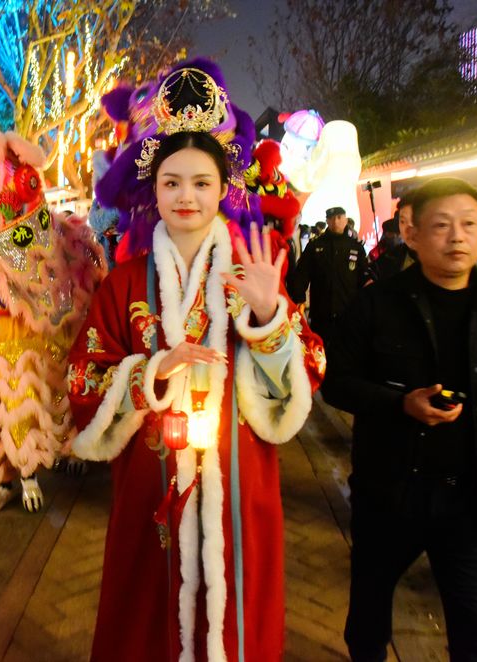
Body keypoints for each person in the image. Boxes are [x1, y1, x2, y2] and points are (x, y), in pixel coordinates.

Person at [67, 126, 321, 660]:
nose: (187, 196)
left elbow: (308, 370)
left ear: (222, 188)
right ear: (153, 190)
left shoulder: (249, 278)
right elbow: (84, 380)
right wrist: (155, 370)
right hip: (147, 481)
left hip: (237, 479)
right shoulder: (124, 285)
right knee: (144, 611)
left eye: (202, 183)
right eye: (172, 182)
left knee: (234, 609)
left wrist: (270, 318)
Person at [322, 177, 477, 662]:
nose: (458, 237)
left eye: (469, 225)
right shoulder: (377, 304)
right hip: (391, 492)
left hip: (471, 498)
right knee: (369, 615)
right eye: (442, 225)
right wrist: (400, 404)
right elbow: (336, 382)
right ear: (412, 232)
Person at [290, 206, 367, 337]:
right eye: (331, 218)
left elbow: (363, 280)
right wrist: (298, 299)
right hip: (321, 313)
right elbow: (301, 274)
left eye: (339, 217)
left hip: (348, 313)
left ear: (345, 220)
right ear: (327, 221)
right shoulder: (315, 246)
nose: (335, 222)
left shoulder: (355, 247)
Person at [364, 195, 417, 284]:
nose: (408, 228)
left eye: (414, 220)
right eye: (403, 221)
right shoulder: (388, 258)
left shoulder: (441, 260)